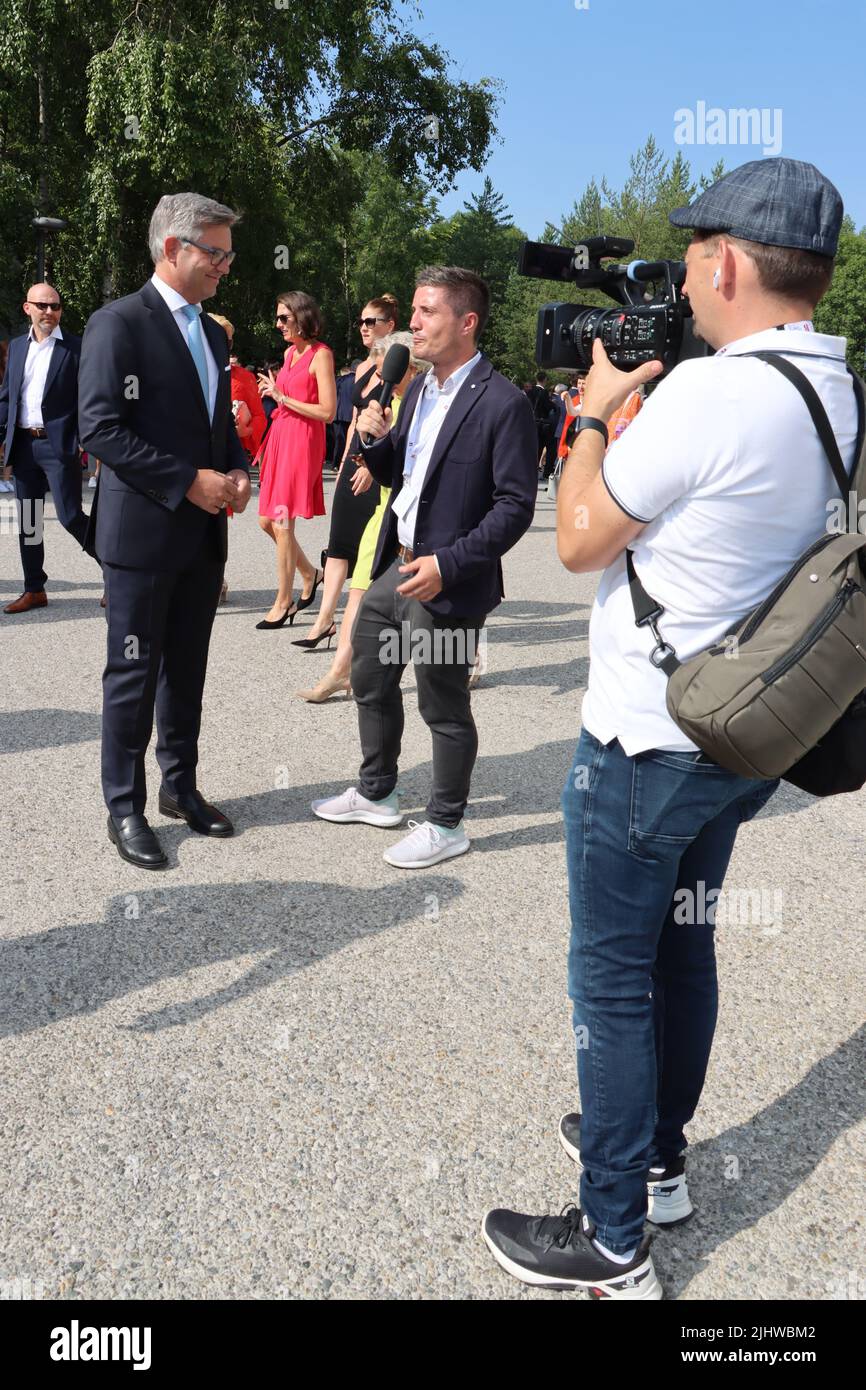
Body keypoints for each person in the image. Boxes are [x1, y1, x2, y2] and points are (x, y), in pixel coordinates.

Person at [482, 158, 853, 1299]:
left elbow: (582, 537)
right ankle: (656, 1159)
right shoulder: (836, 387)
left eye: (692, 253)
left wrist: (592, 415)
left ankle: (608, 1239)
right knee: (678, 950)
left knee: (609, 979)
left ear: (726, 262)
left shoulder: (705, 393)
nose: (683, 276)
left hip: (644, 735)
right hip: (738, 734)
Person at [311, 265, 537, 868]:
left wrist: (450, 563)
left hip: (448, 579)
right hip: (399, 564)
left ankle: (446, 823)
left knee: (442, 704)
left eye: (426, 312)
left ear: (466, 322)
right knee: (369, 672)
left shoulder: (503, 401)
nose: (412, 323)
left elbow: (515, 506)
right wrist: (376, 441)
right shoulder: (415, 390)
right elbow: (404, 479)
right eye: (412, 310)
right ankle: (377, 792)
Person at [78, 191, 251, 869]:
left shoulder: (211, 333)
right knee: (133, 671)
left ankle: (180, 787)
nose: (227, 267)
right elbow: (100, 427)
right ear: (175, 248)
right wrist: (188, 481)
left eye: (229, 254)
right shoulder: (117, 323)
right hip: (143, 536)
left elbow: (219, 426)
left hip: (203, 535)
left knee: (187, 669)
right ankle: (125, 806)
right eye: (217, 252)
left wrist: (235, 470)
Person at [295, 332, 430, 701]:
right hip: (383, 512)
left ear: (412, 368)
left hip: (414, 519)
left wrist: (381, 460)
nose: (384, 375)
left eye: (391, 367)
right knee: (359, 595)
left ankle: (464, 658)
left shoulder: (423, 404)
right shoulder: (390, 401)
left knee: (428, 604)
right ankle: (340, 671)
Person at [297, 295, 399, 649]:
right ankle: (324, 621)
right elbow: (355, 420)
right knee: (338, 543)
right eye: (361, 322)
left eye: (372, 322)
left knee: (371, 547)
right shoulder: (361, 369)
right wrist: (342, 463)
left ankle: (365, 626)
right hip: (355, 457)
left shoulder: (401, 368)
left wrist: (373, 464)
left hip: (380, 461)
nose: (364, 328)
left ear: (390, 326)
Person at [0, 284, 90, 613]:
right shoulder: (17, 349)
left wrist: (86, 439)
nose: (49, 312)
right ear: (28, 308)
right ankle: (34, 589)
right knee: (29, 521)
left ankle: (116, 573)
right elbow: (8, 398)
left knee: (70, 517)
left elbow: (89, 400)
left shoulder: (76, 349)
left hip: (58, 445)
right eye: (42, 306)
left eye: (55, 306)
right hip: (24, 445)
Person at [254, 292, 336, 629]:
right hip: (281, 434)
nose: (278, 324)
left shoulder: (322, 355)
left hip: (302, 440)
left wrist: (283, 397)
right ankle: (310, 573)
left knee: (283, 521)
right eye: (277, 318)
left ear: (302, 317)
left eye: (284, 318)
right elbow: (286, 398)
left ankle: (283, 602)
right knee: (266, 521)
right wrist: (277, 394)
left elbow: (328, 412)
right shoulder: (289, 353)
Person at [208, 313, 267, 602]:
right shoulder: (186, 368)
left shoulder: (243, 377)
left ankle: (216, 578)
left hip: (224, 456)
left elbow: (260, 417)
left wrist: (245, 428)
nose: (224, 344)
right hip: (192, 455)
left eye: (228, 339)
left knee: (217, 517)